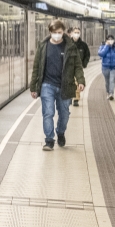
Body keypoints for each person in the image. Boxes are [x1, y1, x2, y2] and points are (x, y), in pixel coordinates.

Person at [29, 19, 85, 151]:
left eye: (59, 32)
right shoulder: (43, 46)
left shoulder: (70, 47)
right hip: (47, 85)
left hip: (65, 85)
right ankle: (49, 140)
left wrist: (81, 81)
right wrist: (33, 87)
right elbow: (36, 67)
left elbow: (77, 65)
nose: (57, 35)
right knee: (48, 113)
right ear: (50, 32)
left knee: (64, 114)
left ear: (63, 32)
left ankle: (60, 132)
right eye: (54, 32)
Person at [69, 27, 90, 107]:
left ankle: (76, 98)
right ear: (72, 33)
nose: (76, 34)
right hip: (69, 67)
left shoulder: (83, 45)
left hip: (78, 67)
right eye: (75, 32)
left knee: (77, 82)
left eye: (78, 32)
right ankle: (70, 96)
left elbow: (87, 55)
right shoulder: (67, 44)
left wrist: (84, 63)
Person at [100, 36, 115, 101]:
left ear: (114, 40)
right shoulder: (103, 46)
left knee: (112, 81)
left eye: (112, 39)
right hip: (105, 67)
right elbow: (101, 54)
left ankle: (111, 94)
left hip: (114, 67)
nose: (110, 40)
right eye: (109, 39)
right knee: (107, 81)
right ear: (106, 40)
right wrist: (107, 46)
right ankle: (108, 92)